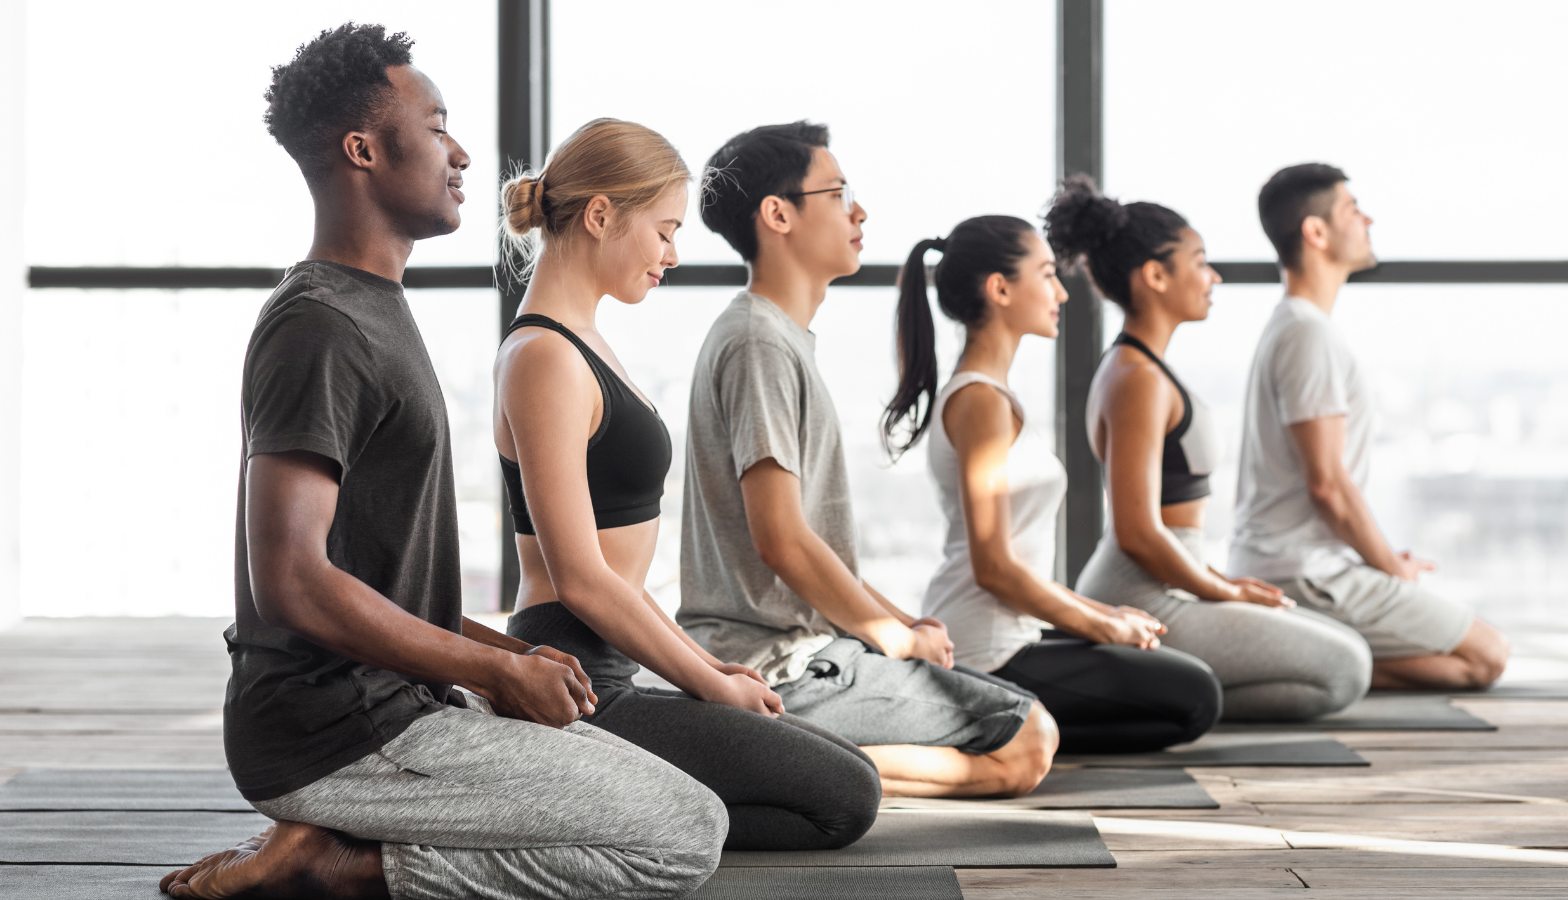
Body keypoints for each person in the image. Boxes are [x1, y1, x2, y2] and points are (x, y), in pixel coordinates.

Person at [162, 26, 725, 900]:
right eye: (436, 127)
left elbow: (377, 580)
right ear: (363, 149)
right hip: (336, 731)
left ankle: (347, 835)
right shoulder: (319, 324)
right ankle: (339, 864)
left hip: (407, 704)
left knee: (685, 806)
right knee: (684, 838)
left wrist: (502, 656)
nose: (462, 152)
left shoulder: (375, 306)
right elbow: (292, 581)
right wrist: (498, 671)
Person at [494, 118, 879, 851]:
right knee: (844, 799)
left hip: (616, 664)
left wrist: (709, 666)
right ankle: (567, 821)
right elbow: (581, 579)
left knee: (847, 765)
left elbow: (622, 577)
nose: (671, 254)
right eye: (664, 230)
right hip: (578, 687)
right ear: (602, 215)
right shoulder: (543, 355)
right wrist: (709, 688)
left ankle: (634, 805)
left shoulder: (582, 341)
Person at [678, 121, 1058, 799]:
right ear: (778, 214)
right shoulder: (756, 341)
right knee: (1029, 739)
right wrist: (893, 636)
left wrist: (902, 623)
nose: (859, 211)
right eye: (838, 192)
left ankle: (796, 758)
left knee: (1027, 747)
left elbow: (814, 544)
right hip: (776, 663)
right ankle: (783, 759)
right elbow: (783, 540)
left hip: (812, 648)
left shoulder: (781, 339)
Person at [883, 213, 1224, 751]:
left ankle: (1009, 728)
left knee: (1184, 686)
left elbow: (1016, 565)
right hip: (987, 648)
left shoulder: (992, 396)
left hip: (1013, 634)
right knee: (1195, 695)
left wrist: (1104, 612)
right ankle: (984, 725)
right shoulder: (980, 402)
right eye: (1046, 274)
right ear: (999, 289)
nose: (1062, 292)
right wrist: (1101, 628)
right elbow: (993, 567)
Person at [1047, 176, 1372, 721]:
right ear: (1154, 276)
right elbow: (1138, 529)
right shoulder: (1135, 379)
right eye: (1199, 262)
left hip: (1174, 580)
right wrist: (1222, 594)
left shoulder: (1141, 370)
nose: (1212, 276)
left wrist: (1219, 582)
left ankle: (1170, 693)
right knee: (1345, 669)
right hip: (1143, 592)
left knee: (1342, 658)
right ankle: (1159, 696)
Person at [1229, 163, 1509, 691]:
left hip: (1303, 564)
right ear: (1316, 232)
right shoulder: (1308, 334)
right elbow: (1328, 485)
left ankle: (1314, 653)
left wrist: (1378, 558)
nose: (1368, 219)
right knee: (1487, 657)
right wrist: (1387, 568)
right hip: (1304, 573)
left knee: (1476, 654)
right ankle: (1307, 663)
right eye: (1353, 211)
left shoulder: (1297, 327)